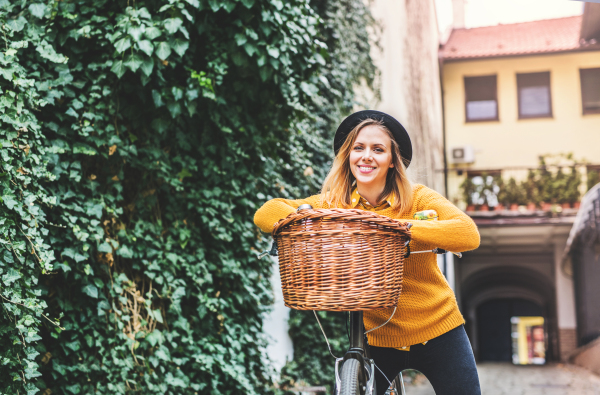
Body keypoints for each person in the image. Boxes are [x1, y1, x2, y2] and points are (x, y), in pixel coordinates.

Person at [254, 110, 481, 395]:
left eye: (378, 149)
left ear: (391, 161)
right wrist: (305, 223)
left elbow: (467, 233)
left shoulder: (419, 197)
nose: (366, 156)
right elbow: (268, 211)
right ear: (348, 156)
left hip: (438, 327)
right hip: (377, 335)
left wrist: (397, 228)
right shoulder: (336, 205)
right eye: (358, 148)